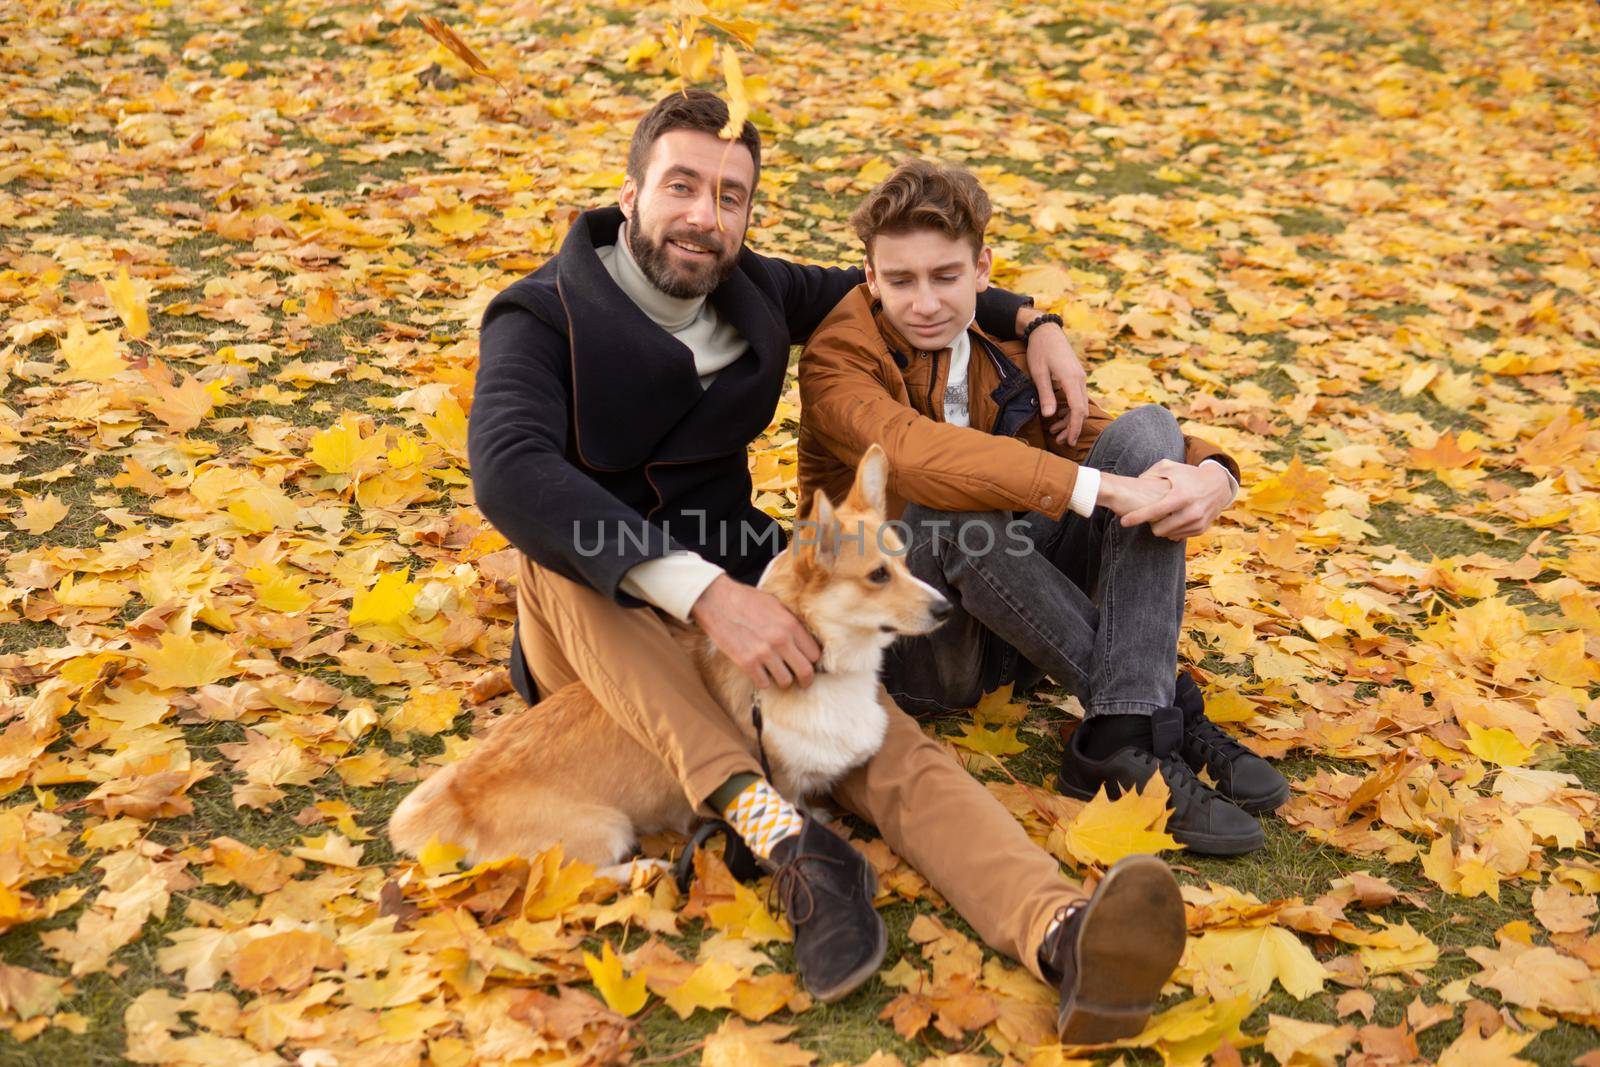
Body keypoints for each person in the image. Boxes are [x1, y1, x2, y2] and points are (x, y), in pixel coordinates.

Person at [468, 91, 1187, 1038]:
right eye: (681, 186)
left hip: (748, 592)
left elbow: (902, 285)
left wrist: (1034, 316)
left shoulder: (752, 284)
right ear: (631, 192)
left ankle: (1060, 932)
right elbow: (511, 472)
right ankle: (776, 832)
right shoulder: (538, 315)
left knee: (888, 747)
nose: (704, 215)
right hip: (600, 625)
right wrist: (708, 595)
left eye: (731, 197)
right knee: (556, 553)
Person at [798, 159, 1290, 857]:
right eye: (901, 280)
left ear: (982, 270)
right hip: (915, 645)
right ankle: (1157, 709)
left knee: (1147, 430)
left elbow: (1113, 443)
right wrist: (1100, 491)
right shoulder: (837, 360)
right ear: (870, 278)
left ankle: (1126, 729)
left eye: (945, 277)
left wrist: (1214, 471)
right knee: (952, 512)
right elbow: (912, 456)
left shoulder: (1006, 348)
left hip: (1021, 621)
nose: (926, 302)